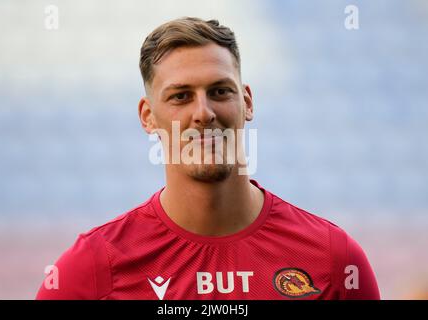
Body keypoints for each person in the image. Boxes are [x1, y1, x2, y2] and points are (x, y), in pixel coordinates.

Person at [36, 17, 380, 300]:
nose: (203, 113)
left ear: (247, 102)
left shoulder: (334, 260)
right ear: (147, 116)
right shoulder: (94, 268)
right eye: (180, 96)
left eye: (219, 91)